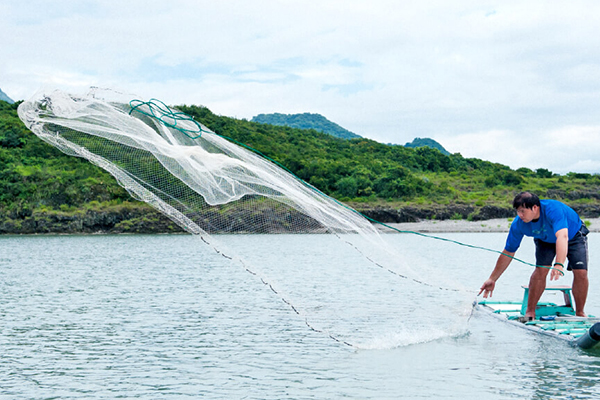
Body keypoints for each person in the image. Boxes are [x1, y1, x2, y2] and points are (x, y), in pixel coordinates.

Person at [479, 191, 589, 319]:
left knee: (581, 272)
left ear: (535, 208)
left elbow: (562, 236)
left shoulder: (554, 210)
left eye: (523, 211)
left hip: (572, 235)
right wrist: (492, 279)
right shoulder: (518, 224)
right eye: (517, 211)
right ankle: (530, 312)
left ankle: (580, 312)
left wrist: (559, 264)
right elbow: (508, 252)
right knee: (541, 270)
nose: (520, 215)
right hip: (545, 239)